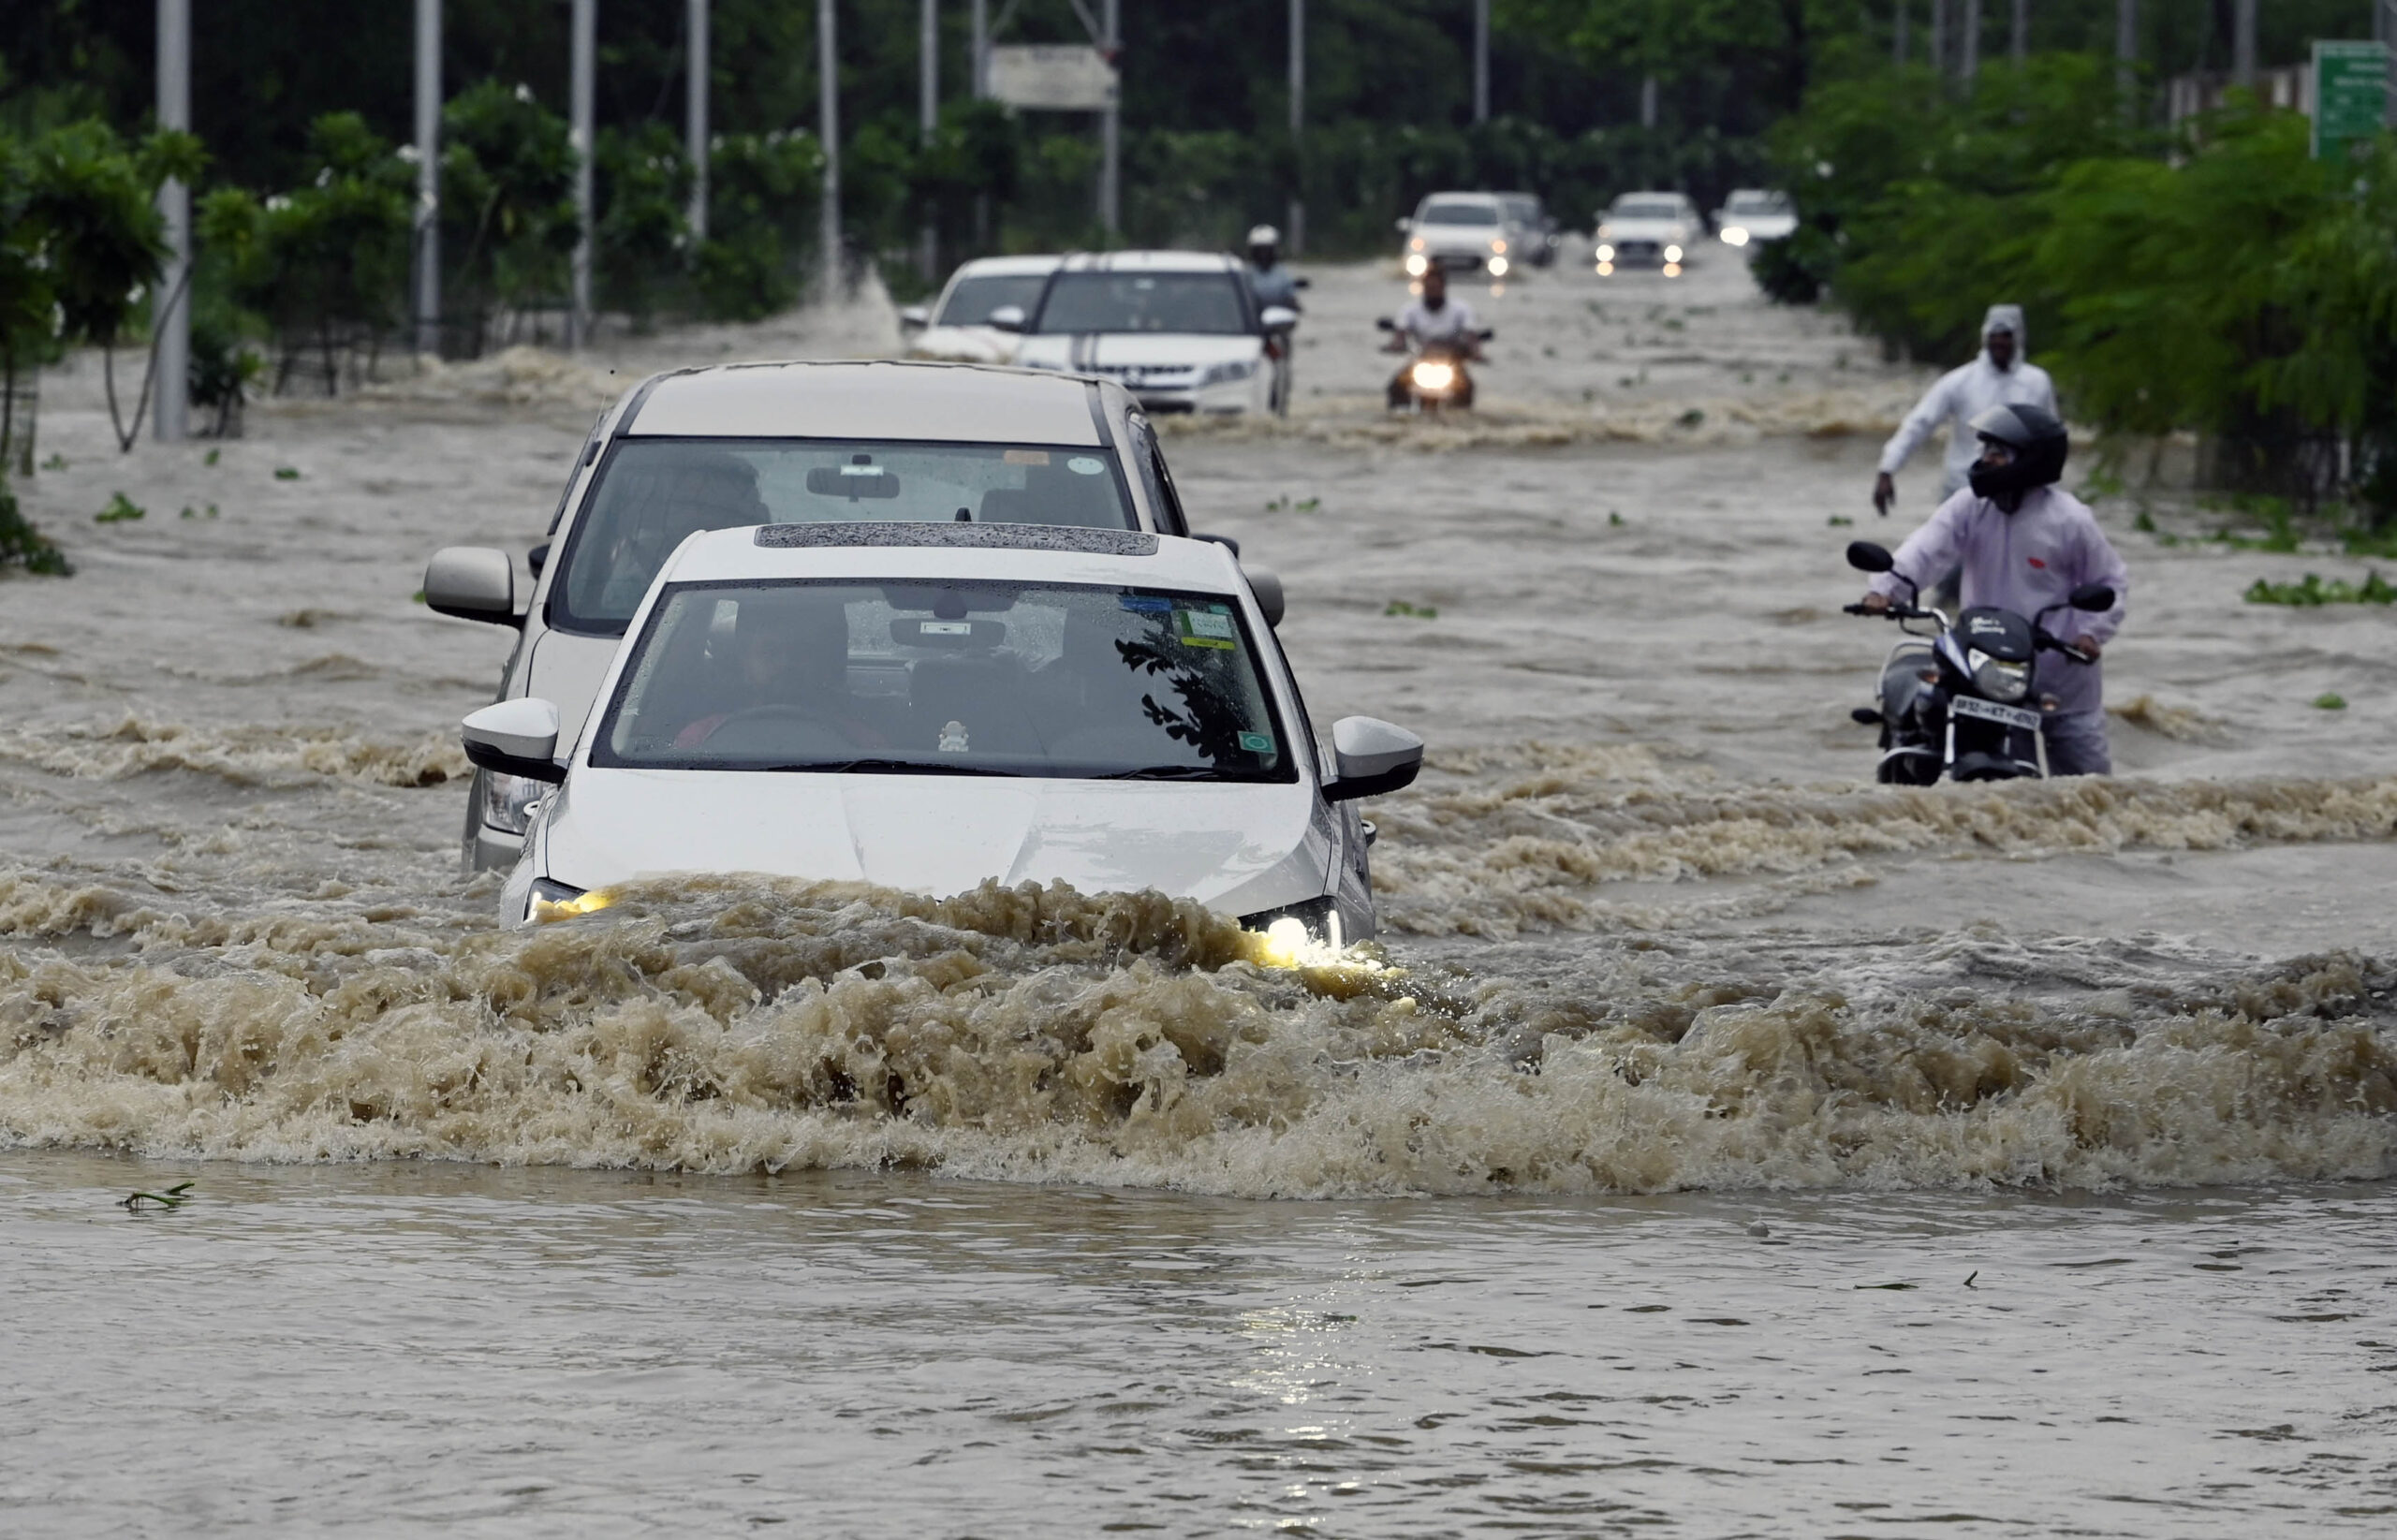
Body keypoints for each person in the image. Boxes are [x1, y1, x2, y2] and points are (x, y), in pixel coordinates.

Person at [1860, 403, 2129, 776]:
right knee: (2006, 790)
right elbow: (1926, 549)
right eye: (1984, 451)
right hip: (1990, 672)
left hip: (2060, 670)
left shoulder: (2070, 519)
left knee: (2090, 787)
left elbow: (2109, 581)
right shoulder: (1970, 506)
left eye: (1997, 453)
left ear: (2032, 460)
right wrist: (1887, 590)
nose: (1986, 460)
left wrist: (2090, 633)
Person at [1873, 304, 2057, 517]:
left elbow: (2050, 441)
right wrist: (1887, 470)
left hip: (2020, 497)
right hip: (1963, 492)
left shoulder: (2037, 382)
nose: (1999, 341)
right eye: (1994, 335)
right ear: (1985, 336)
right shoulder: (1959, 382)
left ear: (2018, 337)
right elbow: (1919, 423)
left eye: (2006, 335)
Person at [1383, 266, 1482, 407]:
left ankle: (1463, 415)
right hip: (1421, 359)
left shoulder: (1461, 310)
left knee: (1466, 386)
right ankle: (1398, 415)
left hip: (1452, 361)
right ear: (1423, 287)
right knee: (1396, 386)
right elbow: (1401, 333)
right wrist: (1396, 345)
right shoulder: (1410, 310)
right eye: (1429, 288)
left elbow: (1470, 334)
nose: (1432, 291)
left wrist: (1476, 352)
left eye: (1435, 287)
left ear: (1443, 287)